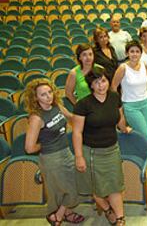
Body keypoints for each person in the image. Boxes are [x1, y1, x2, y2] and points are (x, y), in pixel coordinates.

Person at [72, 67, 131, 226]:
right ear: (91, 85)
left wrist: (125, 128)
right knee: (96, 189)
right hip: (91, 152)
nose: (101, 85)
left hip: (112, 149)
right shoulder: (83, 104)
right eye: (96, 82)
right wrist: (79, 157)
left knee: (115, 186)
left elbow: (119, 117)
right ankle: (107, 209)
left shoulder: (114, 97)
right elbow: (77, 132)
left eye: (103, 81)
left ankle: (120, 218)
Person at [25, 78, 85, 226]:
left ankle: (62, 213)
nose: (48, 96)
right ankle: (59, 215)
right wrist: (44, 144)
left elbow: (71, 118)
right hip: (51, 158)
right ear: (35, 98)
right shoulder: (36, 118)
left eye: (50, 92)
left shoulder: (57, 105)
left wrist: (87, 117)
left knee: (73, 184)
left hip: (66, 151)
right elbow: (29, 148)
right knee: (66, 188)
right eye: (43, 94)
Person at [111, 40, 147, 168]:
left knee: (146, 132)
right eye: (132, 51)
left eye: (137, 51)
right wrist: (118, 105)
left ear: (141, 53)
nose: (135, 54)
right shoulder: (123, 68)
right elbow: (113, 87)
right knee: (145, 133)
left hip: (145, 103)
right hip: (130, 106)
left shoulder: (144, 65)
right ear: (127, 53)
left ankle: (144, 156)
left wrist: (146, 93)